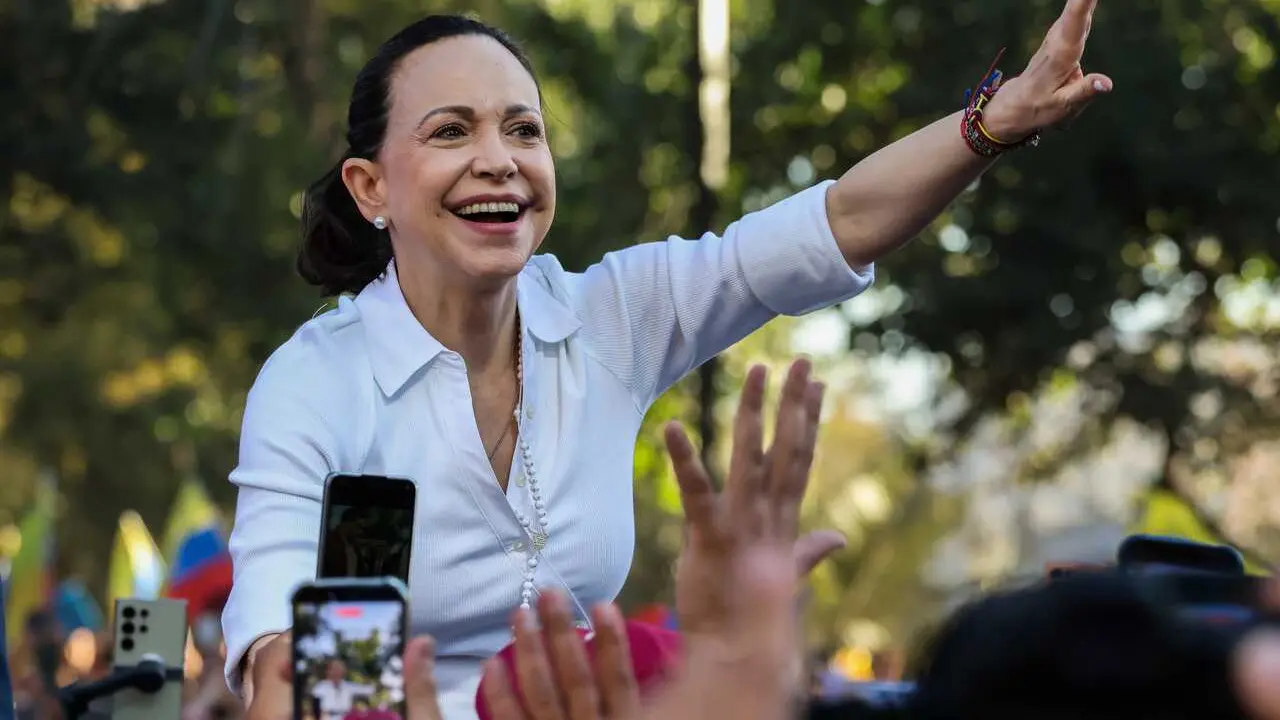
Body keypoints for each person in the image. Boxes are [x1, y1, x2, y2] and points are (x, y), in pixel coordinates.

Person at [223, 3, 1111, 718]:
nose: (498, 162)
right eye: (451, 132)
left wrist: (993, 125)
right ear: (370, 186)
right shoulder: (316, 386)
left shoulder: (610, 315)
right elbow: (283, 677)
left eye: (523, 131)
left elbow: (829, 226)